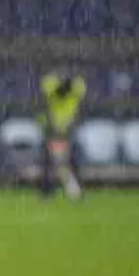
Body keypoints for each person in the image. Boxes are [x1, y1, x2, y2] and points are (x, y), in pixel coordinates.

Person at [39, 71, 86, 200]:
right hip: (52, 128)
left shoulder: (77, 84)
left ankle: (76, 190)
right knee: (51, 162)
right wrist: (64, 83)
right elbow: (55, 91)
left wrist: (68, 83)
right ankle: (47, 191)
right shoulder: (50, 81)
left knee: (70, 161)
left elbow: (78, 90)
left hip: (68, 128)